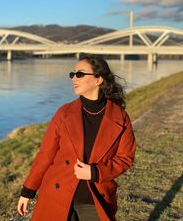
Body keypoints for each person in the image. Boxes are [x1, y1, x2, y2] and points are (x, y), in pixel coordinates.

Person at [17, 54, 136, 221]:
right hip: (57, 194)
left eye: (80, 74)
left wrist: (96, 172)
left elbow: (125, 158)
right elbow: (45, 155)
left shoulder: (120, 117)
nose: (74, 78)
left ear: (98, 80)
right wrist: (28, 191)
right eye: (73, 74)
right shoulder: (64, 113)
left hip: (96, 198)